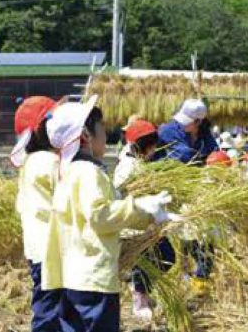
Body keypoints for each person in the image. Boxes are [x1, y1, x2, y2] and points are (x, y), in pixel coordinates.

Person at [41, 96, 181, 332]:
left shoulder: (68, 172)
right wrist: (141, 207)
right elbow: (101, 215)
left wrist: (146, 214)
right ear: (86, 136)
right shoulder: (88, 173)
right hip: (94, 278)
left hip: (72, 275)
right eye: (102, 130)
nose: (106, 136)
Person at [113, 119, 176, 322]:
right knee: (158, 257)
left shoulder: (138, 163)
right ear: (146, 146)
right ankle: (140, 296)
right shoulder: (128, 167)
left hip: (145, 222)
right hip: (135, 225)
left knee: (164, 256)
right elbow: (120, 191)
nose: (154, 150)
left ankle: (141, 290)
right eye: (152, 146)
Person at [11, 96, 62, 332]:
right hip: (51, 249)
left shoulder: (31, 161)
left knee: (48, 304)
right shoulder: (50, 162)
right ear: (43, 130)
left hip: (38, 250)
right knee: (52, 309)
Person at [158, 99, 218, 291]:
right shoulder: (169, 130)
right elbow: (182, 155)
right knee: (179, 232)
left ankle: (201, 279)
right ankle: (180, 276)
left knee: (203, 233)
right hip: (175, 189)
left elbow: (215, 154)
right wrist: (200, 159)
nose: (184, 125)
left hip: (198, 190)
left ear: (199, 122)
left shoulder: (204, 135)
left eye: (189, 122)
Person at [158, 99, 218, 164]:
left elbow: (215, 153)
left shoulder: (205, 133)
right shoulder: (168, 131)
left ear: (198, 122)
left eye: (186, 121)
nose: (182, 123)